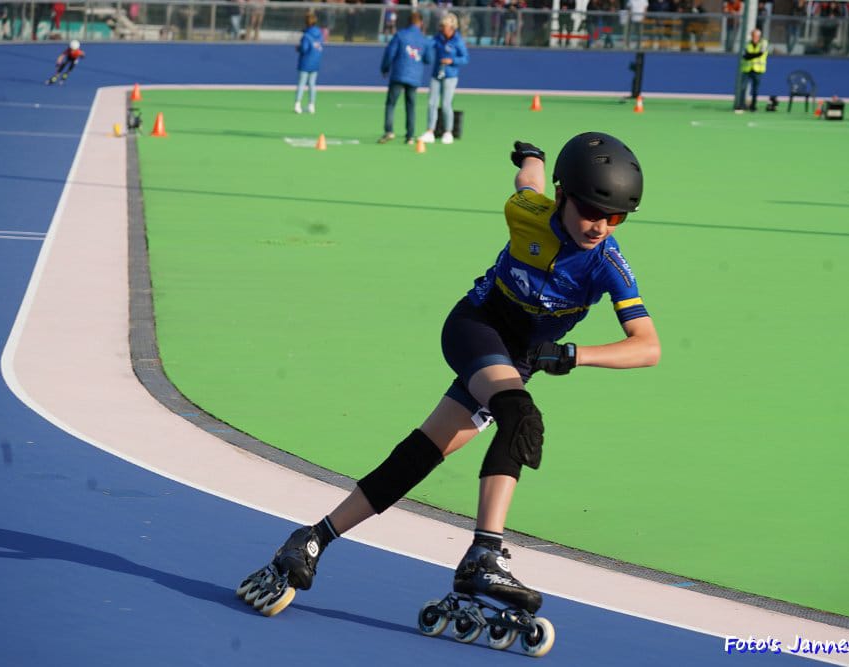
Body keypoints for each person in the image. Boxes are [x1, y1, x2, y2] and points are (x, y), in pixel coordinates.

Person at [237, 131, 660, 620]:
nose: (601, 226)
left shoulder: (607, 264)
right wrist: (531, 156)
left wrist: (573, 354)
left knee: (424, 452)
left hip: (518, 359)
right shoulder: (527, 212)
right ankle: (485, 555)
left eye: (616, 217)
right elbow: (529, 183)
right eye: (590, 211)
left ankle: (313, 538)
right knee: (519, 416)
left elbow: (647, 346)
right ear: (563, 196)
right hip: (475, 328)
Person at [419, 12, 469, 146]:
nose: (442, 28)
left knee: (446, 104)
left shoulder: (458, 41)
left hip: (450, 77)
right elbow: (428, 44)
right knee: (432, 103)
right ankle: (430, 131)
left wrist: (452, 60)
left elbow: (465, 58)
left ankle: (448, 132)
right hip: (436, 74)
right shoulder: (437, 38)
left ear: (452, 27)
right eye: (441, 26)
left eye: (444, 26)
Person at [378, 11, 428, 144]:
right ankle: (410, 136)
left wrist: (385, 68)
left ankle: (389, 131)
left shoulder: (400, 35)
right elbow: (429, 58)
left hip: (398, 75)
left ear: (408, 22)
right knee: (411, 106)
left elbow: (390, 53)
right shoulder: (423, 39)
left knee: (391, 103)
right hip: (414, 76)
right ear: (421, 23)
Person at [294, 11, 324, 114]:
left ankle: (297, 104)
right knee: (312, 84)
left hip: (305, 62)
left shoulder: (306, 36)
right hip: (315, 61)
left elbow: (304, 48)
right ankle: (311, 105)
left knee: (301, 83)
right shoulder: (320, 34)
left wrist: (298, 48)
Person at [736, 28, 768, 112]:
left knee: (755, 89)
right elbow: (745, 56)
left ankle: (753, 106)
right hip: (747, 69)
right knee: (742, 87)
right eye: (753, 35)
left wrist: (750, 55)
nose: (755, 37)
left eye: (756, 36)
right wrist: (753, 55)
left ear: (759, 36)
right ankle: (741, 105)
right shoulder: (747, 43)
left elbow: (760, 54)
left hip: (758, 70)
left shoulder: (763, 43)